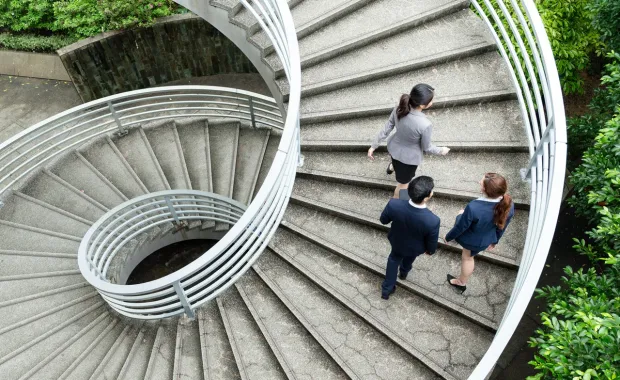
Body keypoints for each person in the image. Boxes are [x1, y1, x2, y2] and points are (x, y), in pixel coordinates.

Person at [368, 83, 450, 199]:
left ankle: (392, 167)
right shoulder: (425, 124)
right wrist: (441, 150)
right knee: (403, 184)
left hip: (394, 147)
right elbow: (427, 147)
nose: (432, 102)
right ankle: (397, 203)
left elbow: (387, 127)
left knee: (396, 162)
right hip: (409, 159)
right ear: (422, 105)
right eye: (431, 100)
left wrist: (374, 145)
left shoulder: (399, 107)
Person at [444, 173, 515, 293]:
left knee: (467, 258)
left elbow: (461, 226)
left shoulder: (474, 207)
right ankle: (462, 281)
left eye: (481, 183)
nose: (479, 182)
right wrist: (495, 241)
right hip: (486, 238)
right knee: (470, 256)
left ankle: (461, 283)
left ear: (485, 190)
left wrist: (448, 236)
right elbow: (502, 226)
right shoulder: (509, 204)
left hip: (473, 241)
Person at [379, 176, 440, 300]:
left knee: (393, 260)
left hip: (397, 241)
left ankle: (387, 290)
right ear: (427, 196)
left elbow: (383, 220)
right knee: (409, 259)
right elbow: (432, 241)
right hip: (415, 247)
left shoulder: (394, 204)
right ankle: (404, 272)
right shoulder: (433, 220)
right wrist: (430, 250)